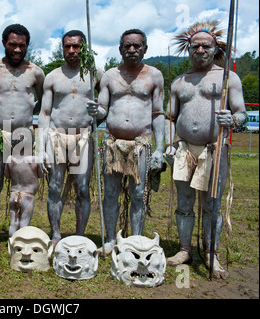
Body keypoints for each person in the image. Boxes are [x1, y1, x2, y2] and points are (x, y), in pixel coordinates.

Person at [165, 21, 247, 279]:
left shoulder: (227, 78)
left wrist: (232, 120)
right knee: (184, 203)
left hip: (215, 149)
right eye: (195, 46)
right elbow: (169, 117)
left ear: (215, 48)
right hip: (184, 150)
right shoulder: (180, 81)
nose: (200, 50)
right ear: (189, 49)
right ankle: (185, 249)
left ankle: (211, 253)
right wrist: (169, 142)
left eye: (205, 46)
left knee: (212, 204)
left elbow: (242, 113)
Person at [87, 29, 165, 255]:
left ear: (145, 49)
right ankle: (110, 240)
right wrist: (96, 110)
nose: (132, 50)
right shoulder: (110, 76)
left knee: (138, 194)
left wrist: (160, 149)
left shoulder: (154, 75)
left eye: (137, 46)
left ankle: (135, 241)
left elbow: (158, 113)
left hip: (141, 143)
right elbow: (102, 109)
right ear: (120, 49)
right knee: (110, 194)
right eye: (127, 46)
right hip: (113, 142)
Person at [0, 24, 45, 236]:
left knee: (23, 188)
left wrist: (27, 115)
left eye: (22, 46)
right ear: (4, 43)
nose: (17, 50)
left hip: (23, 135)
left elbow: (44, 101)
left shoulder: (35, 72)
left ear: (27, 45)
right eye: (12, 45)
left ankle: (19, 231)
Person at [38, 30, 103, 245]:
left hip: (83, 137)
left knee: (83, 189)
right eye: (68, 46)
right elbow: (45, 113)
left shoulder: (95, 75)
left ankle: (80, 236)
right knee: (55, 187)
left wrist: (99, 111)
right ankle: (56, 234)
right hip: (57, 136)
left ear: (84, 47)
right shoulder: (53, 77)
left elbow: (104, 110)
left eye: (76, 46)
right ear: (63, 48)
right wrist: (42, 148)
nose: (72, 50)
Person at [4, 129, 44, 237]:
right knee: (24, 223)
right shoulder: (34, 160)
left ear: (12, 147)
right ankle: (21, 244)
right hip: (28, 196)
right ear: (32, 146)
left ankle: (11, 243)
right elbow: (40, 175)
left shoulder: (10, 159)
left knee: (13, 223)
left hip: (13, 195)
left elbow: (7, 176)